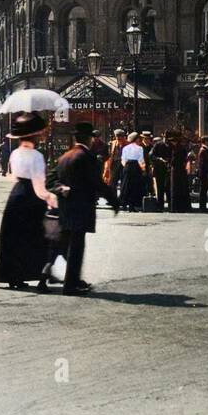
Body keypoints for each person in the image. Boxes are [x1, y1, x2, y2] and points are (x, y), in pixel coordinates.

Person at [0, 112, 61, 290]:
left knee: (13, 237)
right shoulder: (36, 156)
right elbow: (39, 186)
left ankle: (12, 276)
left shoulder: (15, 153)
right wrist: (51, 198)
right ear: (35, 135)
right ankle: (35, 274)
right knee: (34, 238)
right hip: (31, 197)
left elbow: (13, 176)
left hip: (16, 195)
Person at [51, 121, 121, 296]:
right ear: (89, 139)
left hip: (65, 207)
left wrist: (62, 189)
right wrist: (113, 199)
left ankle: (69, 280)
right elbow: (96, 182)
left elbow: (50, 180)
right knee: (76, 247)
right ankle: (71, 284)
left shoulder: (64, 157)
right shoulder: (86, 157)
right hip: (81, 206)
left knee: (67, 245)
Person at [119, 132, 147, 211]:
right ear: (136, 139)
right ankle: (132, 205)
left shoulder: (125, 148)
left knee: (126, 185)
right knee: (134, 186)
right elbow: (141, 160)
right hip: (136, 166)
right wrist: (143, 169)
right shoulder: (140, 148)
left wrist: (126, 167)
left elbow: (123, 159)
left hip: (127, 166)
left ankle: (124, 204)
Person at [168, 131, 192, 212]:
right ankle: (183, 207)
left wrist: (170, 163)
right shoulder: (182, 148)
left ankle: (175, 207)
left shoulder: (176, 149)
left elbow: (173, 161)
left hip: (176, 171)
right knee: (182, 189)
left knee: (175, 189)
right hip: (181, 171)